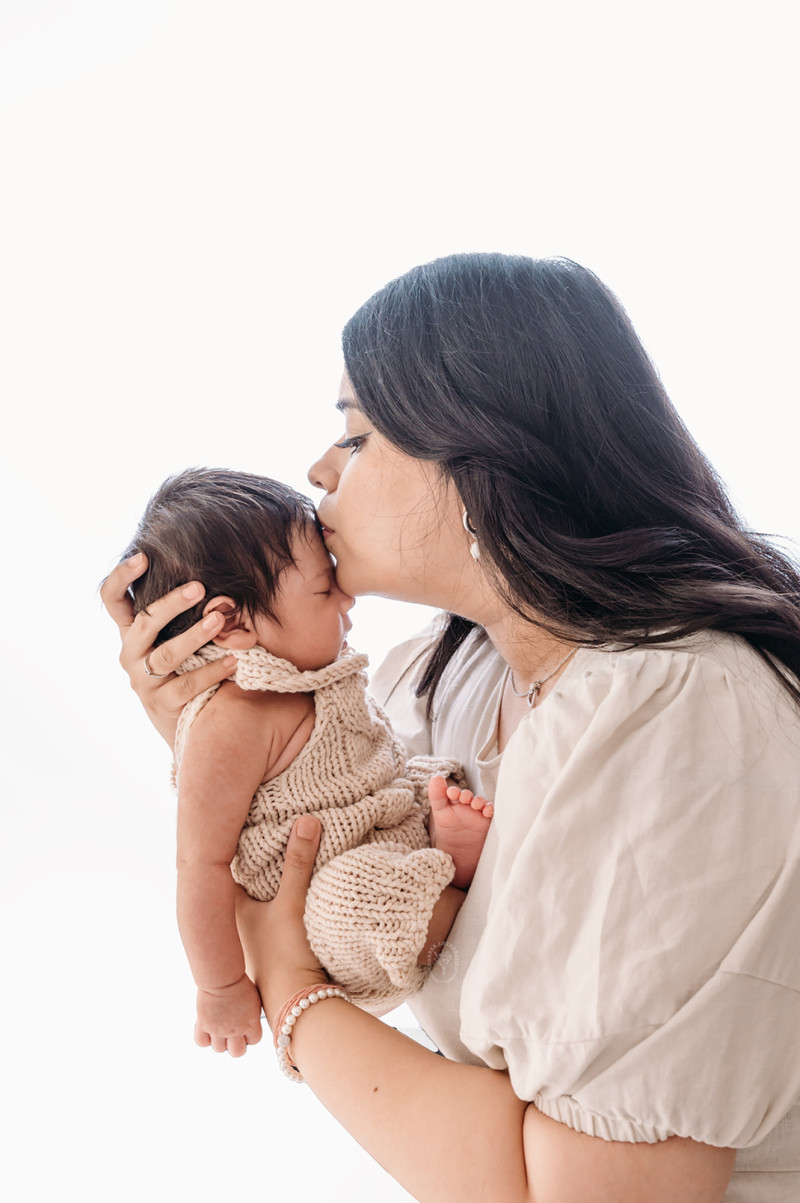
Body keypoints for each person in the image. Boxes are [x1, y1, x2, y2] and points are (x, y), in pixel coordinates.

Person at [101, 253, 800, 1202]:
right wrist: (203, 728)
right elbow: (308, 827)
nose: (315, 473)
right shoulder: (447, 680)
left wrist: (287, 986)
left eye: (354, 434)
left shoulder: (670, 716)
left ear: (478, 459)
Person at [121, 467, 493, 1053]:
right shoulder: (230, 722)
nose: (347, 598)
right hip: (321, 904)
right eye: (324, 590)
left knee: (430, 775)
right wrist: (220, 986)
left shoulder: (311, 674)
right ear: (233, 621)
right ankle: (454, 891)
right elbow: (201, 866)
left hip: (382, 823)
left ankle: (439, 856)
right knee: (354, 897)